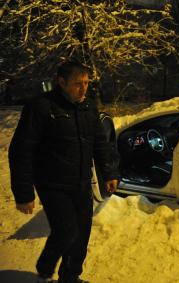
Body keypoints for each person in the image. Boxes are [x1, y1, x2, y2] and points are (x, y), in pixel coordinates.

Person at [9, 61, 120, 283]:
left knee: (82, 234)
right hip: (52, 183)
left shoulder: (88, 107)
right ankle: (45, 266)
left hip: (80, 181)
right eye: (78, 84)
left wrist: (109, 173)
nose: (84, 88)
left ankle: (70, 277)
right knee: (67, 230)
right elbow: (21, 150)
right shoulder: (41, 107)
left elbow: (99, 143)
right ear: (62, 82)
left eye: (87, 83)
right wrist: (23, 194)